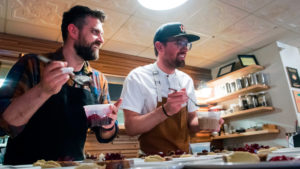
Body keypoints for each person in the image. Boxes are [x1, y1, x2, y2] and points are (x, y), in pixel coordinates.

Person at [0, 5, 121, 165]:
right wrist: (43, 90)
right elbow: (3, 123)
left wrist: (108, 126)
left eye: (101, 34)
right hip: (26, 166)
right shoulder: (32, 64)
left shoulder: (98, 80)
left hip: (71, 166)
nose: (101, 40)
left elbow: (103, 135)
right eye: (95, 32)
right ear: (73, 31)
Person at [120, 22, 222, 155]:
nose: (185, 49)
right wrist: (165, 110)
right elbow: (131, 128)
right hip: (152, 161)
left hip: (184, 157)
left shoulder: (186, 80)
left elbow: (191, 121)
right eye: (179, 42)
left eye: (186, 44)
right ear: (159, 46)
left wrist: (207, 122)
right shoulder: (137, 77)